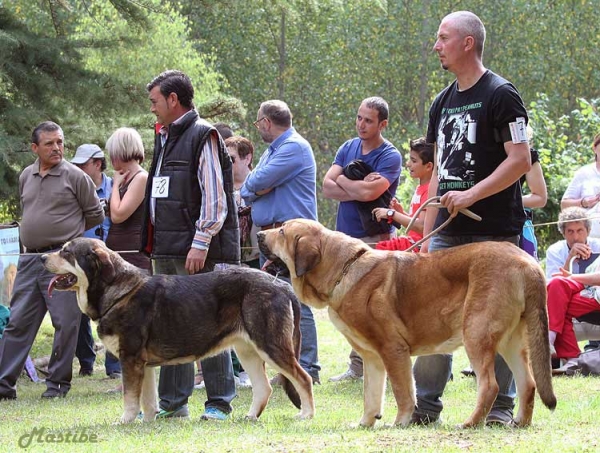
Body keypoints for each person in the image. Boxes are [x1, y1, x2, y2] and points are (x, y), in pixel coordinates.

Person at [411, 11, 532, 427]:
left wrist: (471, 194)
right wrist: (427, 237)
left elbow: (520, 160)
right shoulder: (441, 102)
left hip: (495, 233)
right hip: (447, 236)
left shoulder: (503, 94)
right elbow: (436, 174)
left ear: (467, 43)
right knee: (429, 316)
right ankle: (425, 407)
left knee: (495, 320)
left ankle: (499, 409)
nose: (435, 45)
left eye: (443, 37)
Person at [141, 70, 240, 421]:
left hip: (195, 249)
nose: (151, 108)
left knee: (209, 323)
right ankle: (172, 403)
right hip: (166, 247)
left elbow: (215, 198)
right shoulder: (164, 136)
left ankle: (219, 402)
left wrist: (200, 243)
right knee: (169, 324)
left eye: (154, 101)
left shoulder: (204, 135)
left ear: (173, 100)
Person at [0, 121, 104, 400]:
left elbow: (96, 214)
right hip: (31, 259)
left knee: (66, 322)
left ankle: (57, 385)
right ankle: (3, 385)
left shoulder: (75, 176)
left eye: (60, 142)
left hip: (62, 261)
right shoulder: (26, 176)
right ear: (35, 148)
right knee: (17, 321)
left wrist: (68, 238)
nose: (57, 147)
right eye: (49, 143)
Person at [240, 99, 321, 385]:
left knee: (299, 301)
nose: (258, 127)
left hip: (293, 239)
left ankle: (308, 367)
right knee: (275, 304)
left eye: (258, 122)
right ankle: (287, 365)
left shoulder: (294, 147)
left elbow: (256, 180)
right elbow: (252, 188)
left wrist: (258, 185)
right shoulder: (273, 151)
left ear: (266, 122)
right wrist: (258, 186)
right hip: (272, 237)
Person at [322, 96, 402, 382]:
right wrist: (351, 185)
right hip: (344, 238)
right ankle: (357, 365)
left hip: (375, 238)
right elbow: (327, 187)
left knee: (374, 305)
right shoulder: (348, 147)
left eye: (368, 120)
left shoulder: (390, 155)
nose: (361, 124)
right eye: (359, 118)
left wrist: (343, 180)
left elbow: (370, 194)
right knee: (347, 305)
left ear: (383, 123)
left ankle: (376, 363)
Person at [70, 144, 118, 378]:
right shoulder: (75, 189)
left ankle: (115, 367)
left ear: (97, 164)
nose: (78, 169)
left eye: (83, 165)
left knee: (115, 310)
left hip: (111, 259)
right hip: (82, 262)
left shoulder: (114, 187)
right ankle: (86, 361)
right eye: (76, 165)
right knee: (78, 311)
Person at [372, 137, 433, 251]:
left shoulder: (429, 190)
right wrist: (402, 213)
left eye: (414, 161)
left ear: (428, 166)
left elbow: (422, 227)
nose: (408, 164)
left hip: (418, 247)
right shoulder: (421, 187)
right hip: (413, 242)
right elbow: (414, 224)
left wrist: (392, 213)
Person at [106, 127, 151, 273]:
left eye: (112, 152)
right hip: (118, 252)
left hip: (133, 254)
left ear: (120, 151)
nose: (110, 156)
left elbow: (118, 215)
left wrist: (115, 185)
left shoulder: (141, 178)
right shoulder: (124, 178)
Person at [561, 133, 600, 238]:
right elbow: (564, 204)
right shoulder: (584, 173)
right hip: (590, 238)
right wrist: (584, 202)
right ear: (595, 148)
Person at [545, 207, 600, 279]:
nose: (575, 237)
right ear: (563, 233)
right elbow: (553, 283)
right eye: (570, 231)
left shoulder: (598, 246)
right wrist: (570, 258)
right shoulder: (555, 251)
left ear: (588, 231)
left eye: (580, 231)